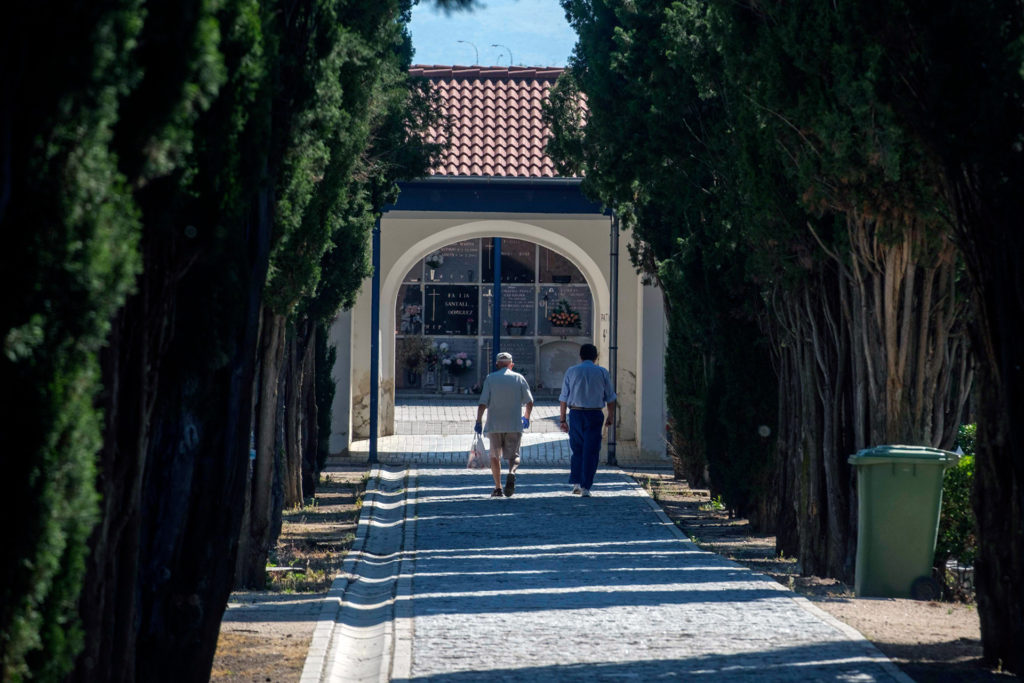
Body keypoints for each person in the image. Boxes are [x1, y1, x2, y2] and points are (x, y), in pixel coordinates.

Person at [558, 343, 616, 497]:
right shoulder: (603, 372)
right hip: (595, 414)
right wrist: (610, 416)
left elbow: (563, 397)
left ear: (580, 356)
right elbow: (610, 397)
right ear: (596, 357)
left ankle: (576, 482)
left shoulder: (571, 371)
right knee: (591, 451)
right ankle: (586, 487)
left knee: (577, 449)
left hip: (576, 414)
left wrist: (563, 419)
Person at [476, 352, 534, 498]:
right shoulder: (519, 378)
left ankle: (498, 488)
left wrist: (478, 421)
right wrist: (526, 417)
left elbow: (483, 403)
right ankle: (511, 472)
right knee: (514, 455)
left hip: (495, 425)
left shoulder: (490, 378)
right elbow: (530, 401)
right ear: (511, 365)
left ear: (496, 365)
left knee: (494, 456)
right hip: (514, 424)